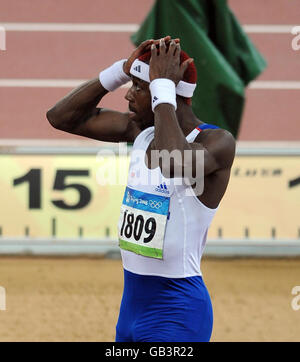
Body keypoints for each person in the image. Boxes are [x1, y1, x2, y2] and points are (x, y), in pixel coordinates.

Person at [46, 36, 236, 342]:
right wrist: (120, 70)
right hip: (131, 308)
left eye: (137, 87)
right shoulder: (142, 132)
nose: (127, 96)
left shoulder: (216, 142)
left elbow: (173, 162)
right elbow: (60, 117)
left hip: (177, 310)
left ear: (167, 93)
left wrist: (161, 88)